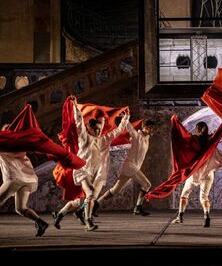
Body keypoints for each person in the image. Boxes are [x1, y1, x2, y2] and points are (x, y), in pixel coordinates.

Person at [53, 97, 129, 231]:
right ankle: (89, 222)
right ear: (90, 128)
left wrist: (125, 118)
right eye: (96, 130)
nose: (98, 132)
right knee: (91, 193)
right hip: (83, 171)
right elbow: (79, 123)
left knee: (81, 201)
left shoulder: (103, 140)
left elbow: (117, 131)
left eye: (100, 129)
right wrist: (76, 107)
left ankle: (59, 215)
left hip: (96, 172)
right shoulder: (84, 137)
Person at [172, 121, 222, 227]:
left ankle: (180, 217)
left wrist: (175, 123)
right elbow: (221, 131)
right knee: (204, 197)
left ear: (197, 129)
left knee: (184, 194)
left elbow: (182, 139)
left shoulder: (193, 140)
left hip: (195, 172)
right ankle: (206, 216)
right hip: (207, 173)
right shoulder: (210, 140)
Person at [94, 119, 157, 216]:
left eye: (153, 128)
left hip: (132, 168)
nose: (152, 130)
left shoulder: (146, 138)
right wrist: (125, 118)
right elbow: (130, 129)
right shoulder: (136, 136)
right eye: (150, 128)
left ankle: (94, 205)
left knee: (115, 190)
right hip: (130, 167)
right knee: (147, 184)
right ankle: (138, 208)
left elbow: (146, 136)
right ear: (144, 127)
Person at [0, 124, 49, 236]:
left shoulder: (3, 144)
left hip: (15, 178)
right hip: (29, 179)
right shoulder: (21, 144)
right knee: (21, 208)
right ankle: (40, 222)